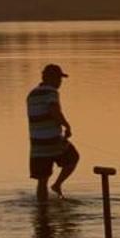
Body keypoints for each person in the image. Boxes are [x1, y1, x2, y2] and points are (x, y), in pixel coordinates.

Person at [26, 63, 79, 201]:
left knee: (42, 180)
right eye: (59, 79)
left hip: (36, 143)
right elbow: (54, 109)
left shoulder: (32, 94)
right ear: (52, 78)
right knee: (73, 158)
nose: (60, 82)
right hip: (52, 139)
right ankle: (57, 184)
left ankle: (42, 211)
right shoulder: (51, 92)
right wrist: (67, 126)